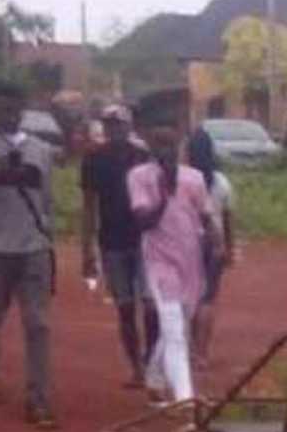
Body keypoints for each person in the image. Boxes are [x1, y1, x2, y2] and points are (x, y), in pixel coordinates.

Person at [128, 123, 219, 403]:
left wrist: (217, 243)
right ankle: (184, 399)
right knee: (175, 330)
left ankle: (154, 375)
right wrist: (164, 192)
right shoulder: (139, 177)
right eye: (159, 144)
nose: (165, 150)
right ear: (150, 147)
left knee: (178, 323)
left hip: (191, 263)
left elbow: (205, 215)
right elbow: (143, 221)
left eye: (170, 144)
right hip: (159, 262)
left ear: (179, 146)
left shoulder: (194, 179)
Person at [0, 81, 56, 427]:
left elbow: (47, 203)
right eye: (1, 109)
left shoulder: (41, 151)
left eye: (14, 109)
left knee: (38, 326)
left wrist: (50, 242)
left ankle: (39, 400)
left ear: (22, 111)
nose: (8, 115)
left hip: (33, 248)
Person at [81, 104, 157, 387]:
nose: (114, 130)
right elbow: (89, 205)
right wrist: (86, 248)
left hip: (145, 240)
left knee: (150, 306)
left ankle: (151, 361)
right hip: (111, 241)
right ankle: (137, 367)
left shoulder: (144, 156)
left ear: (129, 126)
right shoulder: (94, 160)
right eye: (109, 125)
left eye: (119, 125)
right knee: (125, 309)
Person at [186, 126, 235, 370]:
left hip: (187, 242)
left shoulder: (183, 178)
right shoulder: (221, 182)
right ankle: (202, 355)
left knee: (189, 298)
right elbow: (228, 219)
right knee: (208, 299)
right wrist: (229, 248)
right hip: (213, 244)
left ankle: (189, 350)